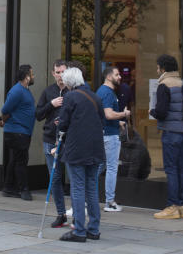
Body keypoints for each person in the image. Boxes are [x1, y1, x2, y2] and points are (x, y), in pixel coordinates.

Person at [56, 66, 105, 243]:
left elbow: (63, 124)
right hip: (95, 148)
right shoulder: (96, 97)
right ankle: (94, 229)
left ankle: (79, 230)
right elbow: (101, 120)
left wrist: (60, 124)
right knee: (91, 188)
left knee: (77, 188)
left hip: (77, 149)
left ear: (69, 83)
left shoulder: (70, 97)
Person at [149, 54, 183, 219]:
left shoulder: (164, 85)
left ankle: (172, 206)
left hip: (171, 133)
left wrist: (152, 111)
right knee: (181, 169)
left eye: (158, 67)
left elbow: (162, 112)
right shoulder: (182, 83)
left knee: (171, 169)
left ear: (163, 68)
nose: (157, 70)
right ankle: (182, 206)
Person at [36, 59, 69, 227]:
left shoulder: (73, 91)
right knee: (55, 179)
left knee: (75, 178)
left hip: (69, 141)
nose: (60, 75)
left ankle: (77, 215)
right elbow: (38, 114)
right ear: (53, 73)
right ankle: (61, 213)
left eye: (63, 72)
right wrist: (51, 104)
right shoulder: (48, 91)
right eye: (58, 72)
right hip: (50, 139)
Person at [95, 66, 130, 213]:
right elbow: (108, 114)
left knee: (98, 168)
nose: (120, 77)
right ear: (109, 77)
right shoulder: (108, 93)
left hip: (104, 134)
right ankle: (110, 202)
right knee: (111, 168)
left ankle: (86, 198)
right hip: (109, 136)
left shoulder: (101, 91)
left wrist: (118, 122)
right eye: (117, 74)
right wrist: (124, 114)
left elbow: (105, 115)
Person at [0, 63, 35, 201]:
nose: (33, 77)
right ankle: (23, 189)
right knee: (21, 160)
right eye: (32, 74)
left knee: (15, 159)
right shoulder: (17, 90)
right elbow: (5, 109)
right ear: (26, 77)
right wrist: (2, 120)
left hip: (22, 131)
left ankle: (8, 188)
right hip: (17, 131)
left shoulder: (25, 90)